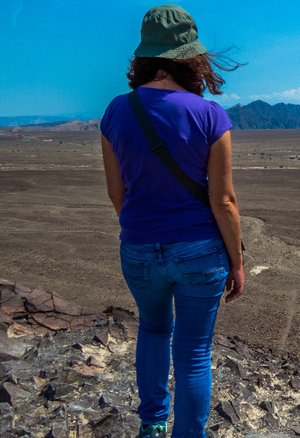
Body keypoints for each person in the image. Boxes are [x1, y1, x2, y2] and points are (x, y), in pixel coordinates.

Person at [100, 5, 244, 437]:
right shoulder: (209, 114)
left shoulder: (115, 112)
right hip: (200, 252)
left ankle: (152, 426)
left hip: (139, 248)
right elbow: (223, 200)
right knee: (194, 352)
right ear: (191, 58)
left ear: (144, 56)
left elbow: (116, 193)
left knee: (153, 329)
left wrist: (144, 230)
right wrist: (236, 263)